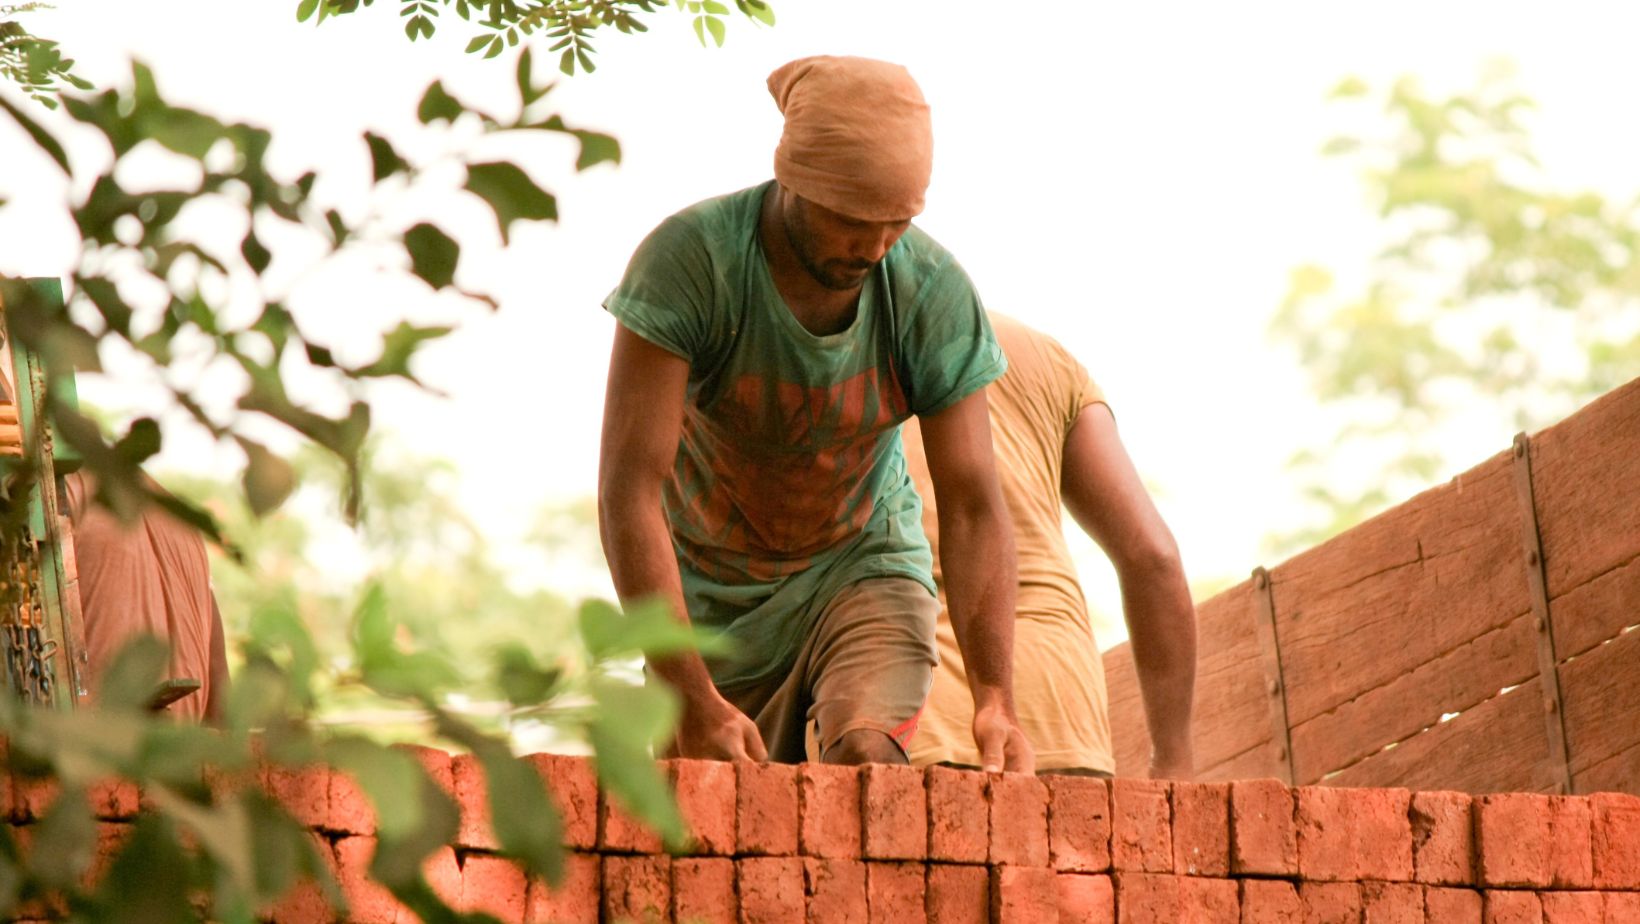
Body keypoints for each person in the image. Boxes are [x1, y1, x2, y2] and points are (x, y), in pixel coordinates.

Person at [597, 56, 1031, 770]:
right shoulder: (691, 264)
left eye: (896, 223)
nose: (873, 245)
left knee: (867, 755)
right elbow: (629, 488)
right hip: (712, 597)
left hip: (863, 563)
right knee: (717, 810)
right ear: (792, 180)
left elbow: (974, 502)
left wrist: (995, 697)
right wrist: (690, 691)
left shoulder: (930, 292)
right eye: (850, 221)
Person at [902, 313, 1197, 778]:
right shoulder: (1049, 360)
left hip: (914, 704)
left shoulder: (860, 338)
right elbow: (1153, 556)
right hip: (1059, 713)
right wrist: (1174, 761)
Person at [64, 470, 230, 722]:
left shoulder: (60, 496)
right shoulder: (180, 518)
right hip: (180, 748)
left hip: (92, 743)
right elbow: (218, 677)